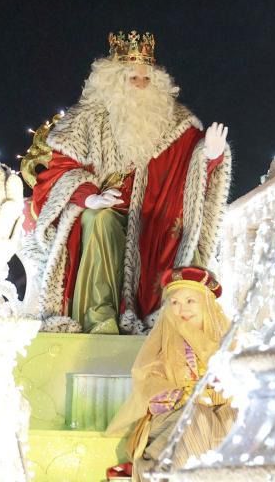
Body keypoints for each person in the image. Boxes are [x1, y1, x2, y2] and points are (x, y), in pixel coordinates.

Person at [23, 31, 231, 334]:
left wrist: (211, 156)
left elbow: (193, 166)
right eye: (132, 79)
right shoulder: (85, 119)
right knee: (100, 219)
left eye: (146, 80)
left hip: (151, 218)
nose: (140, 86)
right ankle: (100, 318)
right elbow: (59, 171)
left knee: (163, 230)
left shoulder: (176, 123)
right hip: (101, 207)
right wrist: (88, 196)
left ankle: (160, 317)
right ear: (114, 80)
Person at [105, 266, 234, 481]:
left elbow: (240, 384)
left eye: (190, 301)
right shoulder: (163, 340)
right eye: (174, 302)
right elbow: (147, 380)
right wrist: (184, 394)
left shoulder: (228, 342)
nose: (182, 309)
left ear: (207, 306)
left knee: (235, 422)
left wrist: (215, 393)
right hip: (173, 415)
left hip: (219, 410)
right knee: (196, 419)